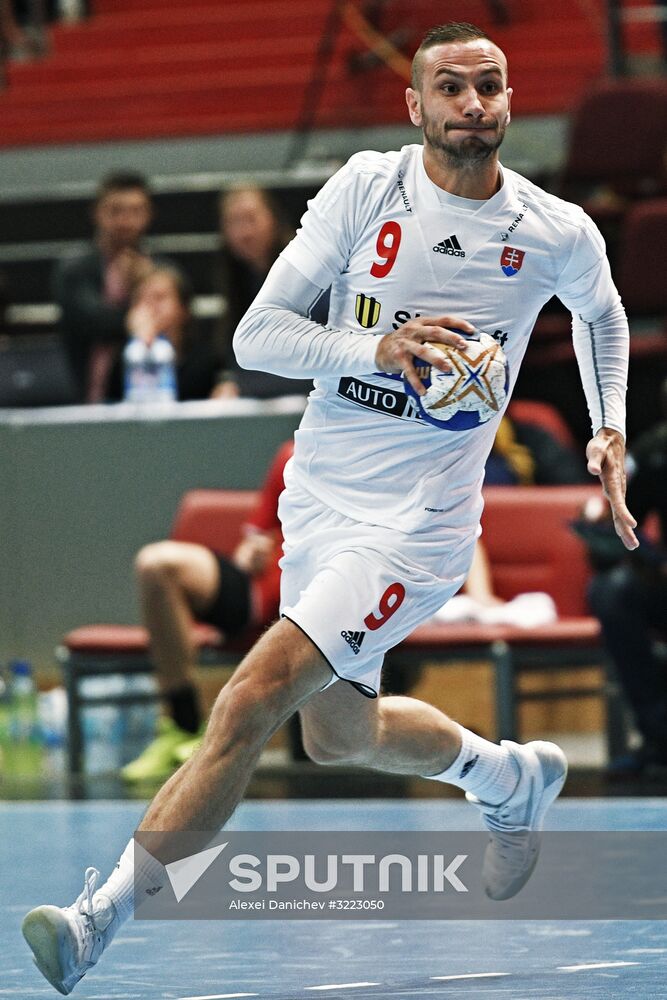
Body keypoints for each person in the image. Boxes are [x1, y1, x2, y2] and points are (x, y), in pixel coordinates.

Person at [23, 22, 638, 995]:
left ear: (509, 101)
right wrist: (376, 350)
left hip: (417, 523)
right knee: (338, 735)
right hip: (321, 497)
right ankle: (508, 777)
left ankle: (100, 917)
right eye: (451, 87)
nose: (473, 104)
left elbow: (601, 314)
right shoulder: (365, 188)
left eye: (490, 86)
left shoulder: (553, 229)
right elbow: (257, 335)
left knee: (252, 697)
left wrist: (608, 428)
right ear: (416, 104)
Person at [121, 440, 293, 782]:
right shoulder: (294, 454)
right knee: (156, 565)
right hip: (259, 596)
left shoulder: (384, 459)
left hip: (328, 603)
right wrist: (250, 550)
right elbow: (258, 533)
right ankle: (184, 727)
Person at [585, 378, 667, 774]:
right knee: (612, 591)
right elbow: (624, 526)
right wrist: (603, 515)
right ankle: (659, 736)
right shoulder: (656, 450)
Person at [52, 171, 159, 403]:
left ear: (148, 215)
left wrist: (145, 282)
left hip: (151, 394)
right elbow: (91, 320)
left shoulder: (161, 269)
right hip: (87, 396)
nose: (125, 221)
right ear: (97, 213)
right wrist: (131, 319)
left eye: (135, 211)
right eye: (115, 211)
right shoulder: (74, 269)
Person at [212, 186, 314, 399]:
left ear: (274, 219)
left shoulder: (305, 272)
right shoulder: (237, 279)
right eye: (234, 222)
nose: (244, 233)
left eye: (251, 219)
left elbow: (312, 363)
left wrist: (243, 386)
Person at [110, 265, 222, 402]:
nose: (150, 306)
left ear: (184, 308)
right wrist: (142, 346)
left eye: (159, 297)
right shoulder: (124, 360)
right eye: (141, 299)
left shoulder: (207, 361)